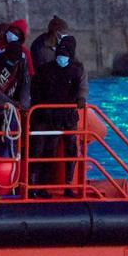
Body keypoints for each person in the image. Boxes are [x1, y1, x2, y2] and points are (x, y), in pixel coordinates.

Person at [28, 32, 85, 192]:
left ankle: (67, 184)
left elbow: (79, 91)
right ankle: (37, 186)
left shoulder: (76, 70)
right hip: (47, 116)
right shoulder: (46, 71)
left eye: (65, 55)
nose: (62, 57)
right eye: (60, 54)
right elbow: (37, 91)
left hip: (67, 116)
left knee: (70, 150)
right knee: (46, 151)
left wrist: (79, 100)